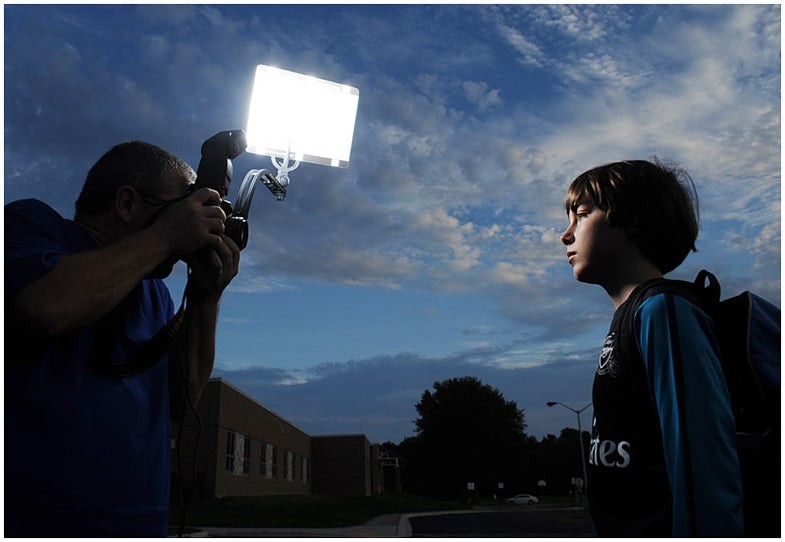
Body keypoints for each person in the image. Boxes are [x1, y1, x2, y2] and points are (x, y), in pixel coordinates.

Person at [5, 141, 240, 536]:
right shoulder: (30, 224)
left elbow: (181, 401)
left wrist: (206, 295)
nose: (198, 222)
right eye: (187, 205)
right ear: (128, 204)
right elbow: (42, 308)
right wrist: (166, 237)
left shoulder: (156, 294)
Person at [559, 159, 744, 536]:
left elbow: (700, 461)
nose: (566, 234)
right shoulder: (630, 318)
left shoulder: (664, 311)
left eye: (581, 215)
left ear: (631, 220)